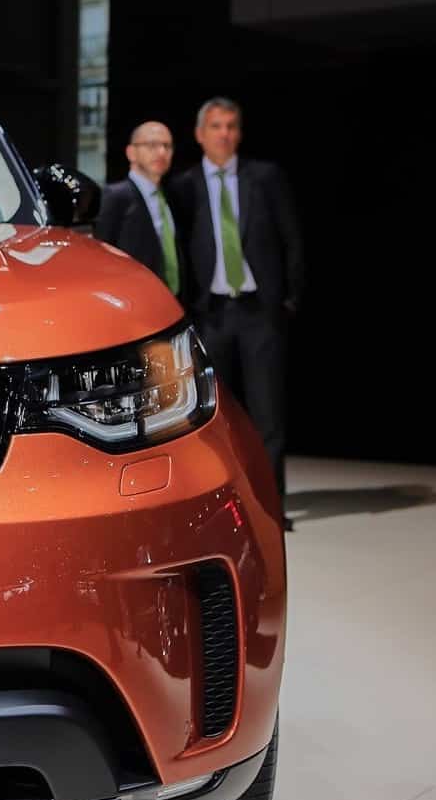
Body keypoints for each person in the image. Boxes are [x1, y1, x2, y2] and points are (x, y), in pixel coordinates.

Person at [173, 98, 303, 527]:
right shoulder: (184, 186)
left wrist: (289, 300)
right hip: (211, 315)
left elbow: (291, 238)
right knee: (214, 419)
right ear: (200, 134)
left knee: (268, 415)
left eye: (231, 126)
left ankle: (271, 507)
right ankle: (222, 509)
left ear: (239, 133)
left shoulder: (264, 178)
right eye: (216, 126)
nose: (224, 133)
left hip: (259, 312)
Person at [95, 120, 185, 303]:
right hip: (135, 303)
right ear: (131, 152)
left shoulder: (169, 196)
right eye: (152, 145)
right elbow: (100, 257)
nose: (161, 152)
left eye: (167, 146)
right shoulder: (115, 196)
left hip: (172, 303)